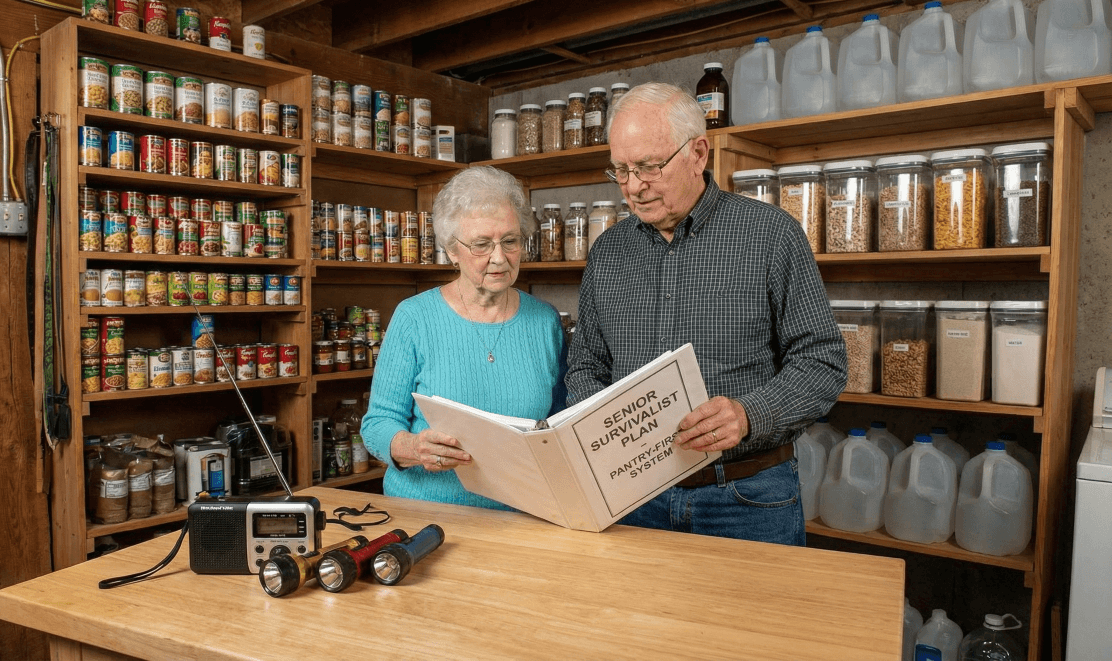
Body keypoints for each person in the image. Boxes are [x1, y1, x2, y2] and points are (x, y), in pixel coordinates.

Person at [565, 82, 847, 545]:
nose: (634, 186)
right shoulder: (608, 252)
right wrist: (595, 426)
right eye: (621, 170)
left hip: (746, 497)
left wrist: (749, 414)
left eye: (649, 167)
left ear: (698, 153)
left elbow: (822, 361)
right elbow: (586, 364)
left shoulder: (771, 235)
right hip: (633, 497)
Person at [362, 165, 566, 509]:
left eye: (510, 241)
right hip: (426, 513)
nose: (499, 258)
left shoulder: (544, 321)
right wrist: (413, 448)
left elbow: (559, 421)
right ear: (452, 250)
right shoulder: (414, 317)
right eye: (482, 245)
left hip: (523, 514)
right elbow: (377, 424)